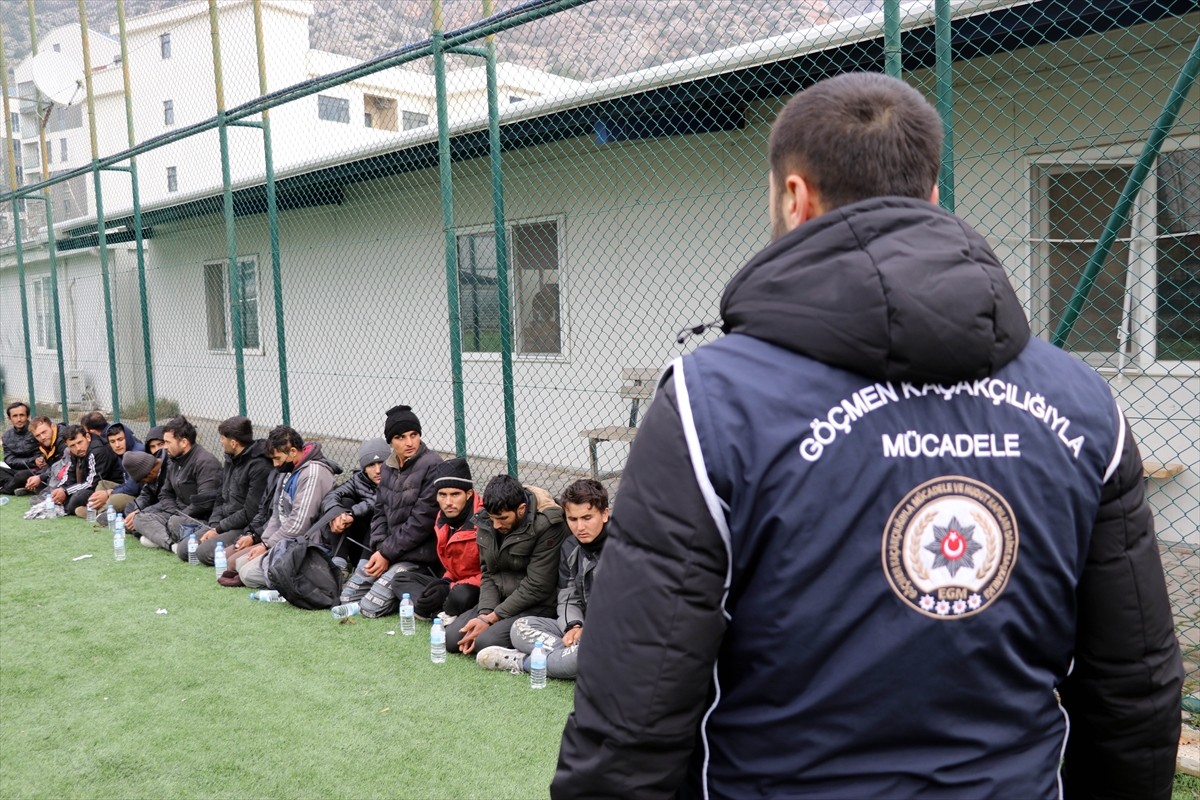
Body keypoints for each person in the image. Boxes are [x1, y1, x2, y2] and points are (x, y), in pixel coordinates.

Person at [553, 73, 1183, 800]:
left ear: (794, 198)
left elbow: (636, 707)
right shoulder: (1083, 404)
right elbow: (1134, 688)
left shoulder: (708, 403)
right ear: (934, 196)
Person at [478, 478, 608, 679]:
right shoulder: (570, 546)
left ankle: (524, 662)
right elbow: (568, 597)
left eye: (587, 517)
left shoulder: (624, 549)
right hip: (581, 626)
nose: (580, 526)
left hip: (612, 632)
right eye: (573, 519)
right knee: (520, 628)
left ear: (605, 514)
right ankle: (568, 658)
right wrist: (574, 625)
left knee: (594, 654)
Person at [445, 474, 567, 658]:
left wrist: (492, 618)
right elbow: (487, 573)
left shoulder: (548, 525)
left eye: (502, 518)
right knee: (452, 639)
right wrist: (484, 614)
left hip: (537, 604)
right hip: (500, 601)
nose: (495, 525)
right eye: (492, 518)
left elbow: (538, 586)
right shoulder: (487, 520)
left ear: (521, 509)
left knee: (484, 642)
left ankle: (522, 652)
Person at [339, 405, 442, 617]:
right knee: (347, 597)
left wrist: (386, 553)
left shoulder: (433, 465)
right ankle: (391, 586)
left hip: (419, 557)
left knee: (369, 607)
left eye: (414, 435)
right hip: (390, 551)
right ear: (391, 442)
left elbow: (421, 523)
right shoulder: (387, 467)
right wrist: (380, 549)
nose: (409, 442)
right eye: (401, 437)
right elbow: (379, 513)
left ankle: (406, 592)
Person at [228, 425, 340, 589]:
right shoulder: (289, 470)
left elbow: (299, 524)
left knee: (247, 574)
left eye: (278, 458)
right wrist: (264, 543)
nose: (275, 464)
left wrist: (266, 546)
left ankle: (300, 579)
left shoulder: (313, 472)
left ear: (293, 452)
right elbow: (277, 514)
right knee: (235, 563)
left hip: (309, 545)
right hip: (285, 541)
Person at [391, 457, 484, 621]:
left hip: (478, 587)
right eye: (442, 495)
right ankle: (439, 610)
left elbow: (492, 575)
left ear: (469, 494)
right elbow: (453, 565)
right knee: (400, 579)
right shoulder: (442, 518)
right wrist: (445, 582)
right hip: (453, 583)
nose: (448, 502)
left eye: (455, 494)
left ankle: (438, 610)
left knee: (461, 595)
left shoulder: (485, 521)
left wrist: (449, 588)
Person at [170, 416, 271, 566]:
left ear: (233, 443)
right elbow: (220, 497)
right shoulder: (230, 458)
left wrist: (218, 529)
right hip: (223, 522)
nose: (220, 441)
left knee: (203, 553)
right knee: (185, 550)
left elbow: (250, 513)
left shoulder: (259, 466)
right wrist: (214, 525)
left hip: (243, 527)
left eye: (222, 438)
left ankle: (239, 551)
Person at [129, 416, 222, 550]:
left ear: (183, 442)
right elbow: (165, 493)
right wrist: (174, 511)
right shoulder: (174, 460)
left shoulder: (205, 462)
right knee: (140, 519)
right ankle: (172, 544)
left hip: (199, 518)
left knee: (174, 523)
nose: (164, 447)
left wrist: (178, 515)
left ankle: (160, 537)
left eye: (167, 442)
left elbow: (204, 503)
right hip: (178, 513)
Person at [308, 437, 390, 573]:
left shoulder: (397, 479)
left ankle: (363, 570)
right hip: (358, 545)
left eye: (382, 463)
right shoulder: (358, 480)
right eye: (371, 465)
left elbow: (380, 500)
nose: (377, 470)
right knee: (344, 503)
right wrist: (337, 515)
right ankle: (339, 565)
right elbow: (331, 496)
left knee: (378, 513)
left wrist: (353, 514)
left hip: (380, 549)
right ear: (364, 468)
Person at [50, 424, 123, 516]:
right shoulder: (74, 452)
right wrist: (61, 488)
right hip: (90, 486)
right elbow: (70, 474)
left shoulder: (98, 451)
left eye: (80, 442)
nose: (78, 448)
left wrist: (65, 491)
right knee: (57, 492)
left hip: (108, 487)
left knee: (77, 498)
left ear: (87, 437)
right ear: (67, 445)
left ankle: (84, 510)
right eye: (72, 445)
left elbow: (91, 483)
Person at [84, 422, 146, 520]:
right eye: (112, 442)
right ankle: (95, 509)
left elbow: (133, 488)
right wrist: (108, 492)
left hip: (140, 496)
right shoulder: (121, 453)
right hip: (128, 488)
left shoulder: (137, 452)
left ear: (128, 438)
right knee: (102, 483)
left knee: (114, 499)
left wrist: (109, 493)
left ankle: (101, 513)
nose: (117, 445)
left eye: (120, 440)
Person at [20, 416, 68, 497]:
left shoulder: (64, 438)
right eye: (37, 435)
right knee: (24, 476)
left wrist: (40, 477)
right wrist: (41, 459)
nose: (42, 437)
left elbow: (64, 465)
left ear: (52, 426)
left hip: (72, 473)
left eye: (44, 432)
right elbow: (53, 464)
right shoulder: (47, 440)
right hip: (58, 472)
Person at [1, 402, 41, 495]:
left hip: (35, 470)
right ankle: (22, 486)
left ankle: (5, 489)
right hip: (15, 470)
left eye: (22, 415)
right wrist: (32, 460)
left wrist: (37, 461)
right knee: (17, 475)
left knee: (21, 476)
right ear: (9, 418)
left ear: (27, 416)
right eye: (15, 416)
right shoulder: (6, 436)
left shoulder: (37, 431)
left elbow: (43, 454)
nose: (19, 419)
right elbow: (9, 459)